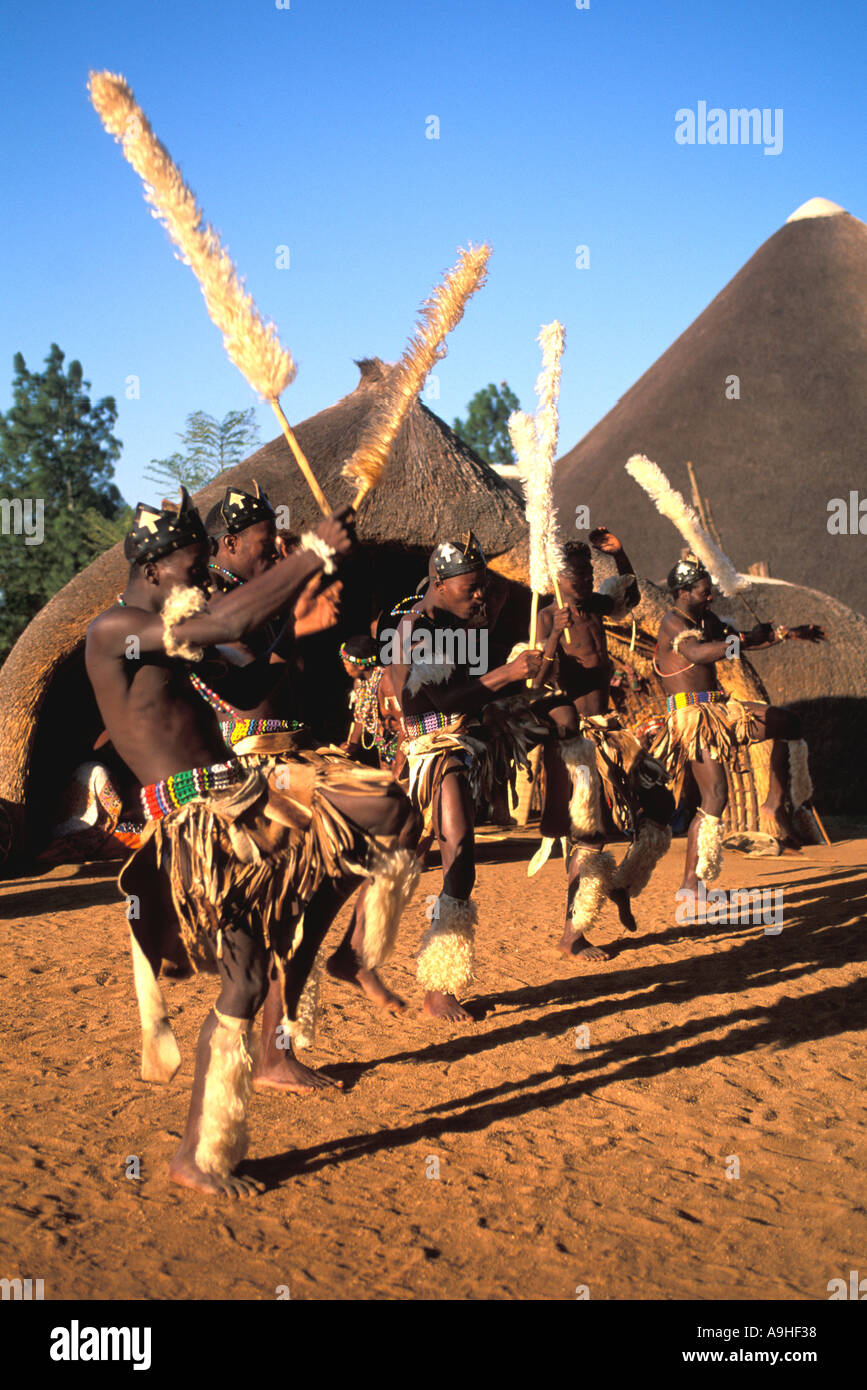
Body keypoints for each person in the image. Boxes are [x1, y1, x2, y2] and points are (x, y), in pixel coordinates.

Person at [85, 491, 416, 1198]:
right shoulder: (116, 628)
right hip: (202, 822)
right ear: (151, 564)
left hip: (241, 798)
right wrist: (313, 553)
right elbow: (228, 617)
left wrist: (298, 623)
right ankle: (199, 1155)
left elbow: (249, 677)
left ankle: (341, 953)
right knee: (245, 976)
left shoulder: (167, 625)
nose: (199, 576)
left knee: (387, 811)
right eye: (190, 564)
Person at [200, 485, 420, 1085]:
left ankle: (325, 975)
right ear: (228, 544)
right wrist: (295, 621)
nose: (275, 556)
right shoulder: (206, 601)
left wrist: (300, 621)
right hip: (246, 778)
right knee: (275, 923)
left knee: (393, 819)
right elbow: (237, 678)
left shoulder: (253, 600)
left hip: (291, 761)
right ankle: (271, 1051)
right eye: (267, 546)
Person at [388, 533, 545, 1022]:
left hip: (452, 744)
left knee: (447, 854)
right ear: (439, 581)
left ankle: (435, 978)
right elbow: (445, 701)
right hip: (432, 750)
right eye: (472, 587)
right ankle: (436, 988)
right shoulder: (416, 628)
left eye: (483, 588)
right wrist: (510, 672)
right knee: (456, 850)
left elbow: (462, 692)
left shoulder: (441, 623)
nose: (479, 596)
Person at [527, 529, 674, 959]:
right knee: (588, 839)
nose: (587, 579)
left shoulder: (594, 607)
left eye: (590, 570)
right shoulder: (546, 616)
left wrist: (621, 555)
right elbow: (536, 681)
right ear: (558, 575)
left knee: (661, 810)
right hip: (577, 741)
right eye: (577, 573)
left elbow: (629, 599)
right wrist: (555, 635)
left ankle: (621, 885)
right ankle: (573, 935)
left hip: (613, 734)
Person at [652, 554, 825, 911]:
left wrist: (786, 634)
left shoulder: (707, 618)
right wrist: (742, 642)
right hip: (693, 717)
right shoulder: (673, 622)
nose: (711, 595)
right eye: (704, 591)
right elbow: (698, 653)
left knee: (786, 722)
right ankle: (691, 887)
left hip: (721, 709)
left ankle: (775, 804)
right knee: (715, 797)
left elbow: (746, 639)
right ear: (684, 592)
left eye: (711, 590)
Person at [339, 635, 402, 772]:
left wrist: (400, 761)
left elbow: (404, 722)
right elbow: (361, 717)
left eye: (346, 664)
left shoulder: (387, 681)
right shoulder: (360, 682)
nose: (345, 668)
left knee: (401, 784)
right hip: (383, 742)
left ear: (361, 665)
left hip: (401, 743)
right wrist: (352, 744)